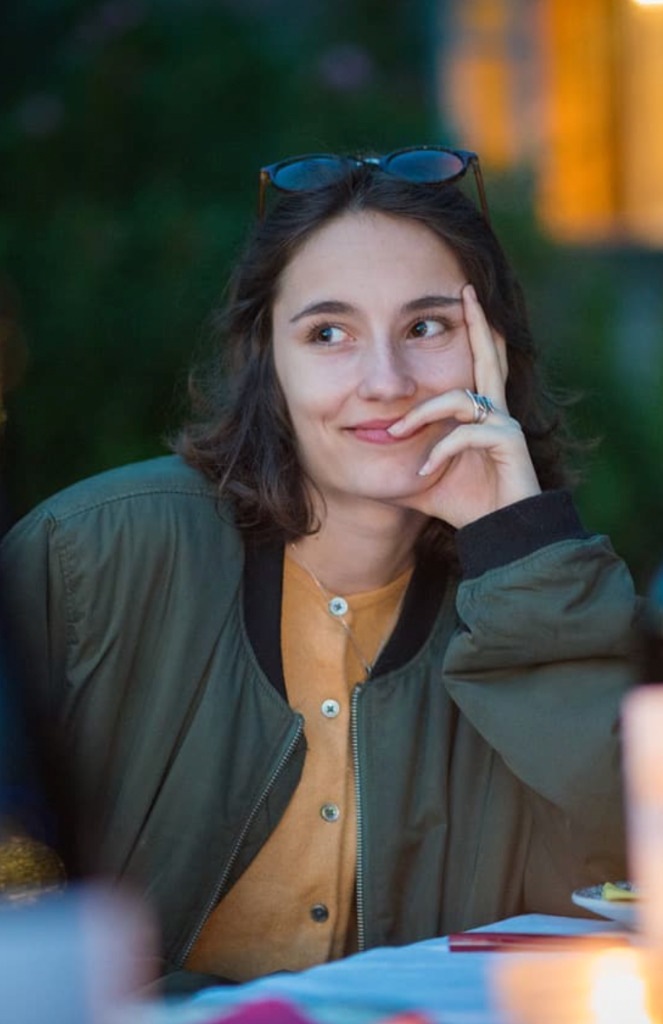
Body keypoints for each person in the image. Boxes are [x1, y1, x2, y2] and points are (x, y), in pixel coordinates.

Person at [0, 148, 637, 985]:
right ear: (267, 360)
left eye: (426, 327)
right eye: (329, 333)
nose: (385, 382)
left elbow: (629, 848)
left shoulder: (537, 589)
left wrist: (515, 544)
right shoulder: (92, 554)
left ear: (494, 351)